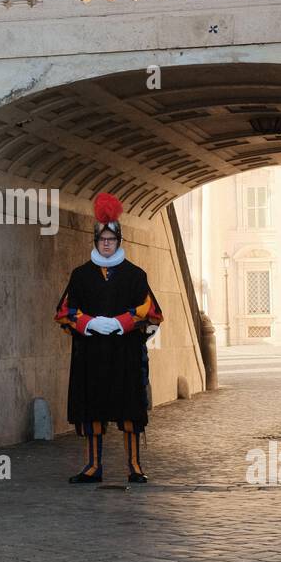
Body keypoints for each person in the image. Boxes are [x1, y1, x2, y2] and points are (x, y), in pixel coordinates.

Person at [54, 192, 163, 484]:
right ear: (95, 241)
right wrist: (90, 323)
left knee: (129, 410)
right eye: (102, 239)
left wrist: (121, 323)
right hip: (91, 354)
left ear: (119, 241)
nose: (106, 243)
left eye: (111, 240)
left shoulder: (135, 275)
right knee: (92, 411)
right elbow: (64, 312)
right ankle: (92, 466)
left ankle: (135, 466)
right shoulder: (80, 275)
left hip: (124, 353)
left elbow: (151, 313)